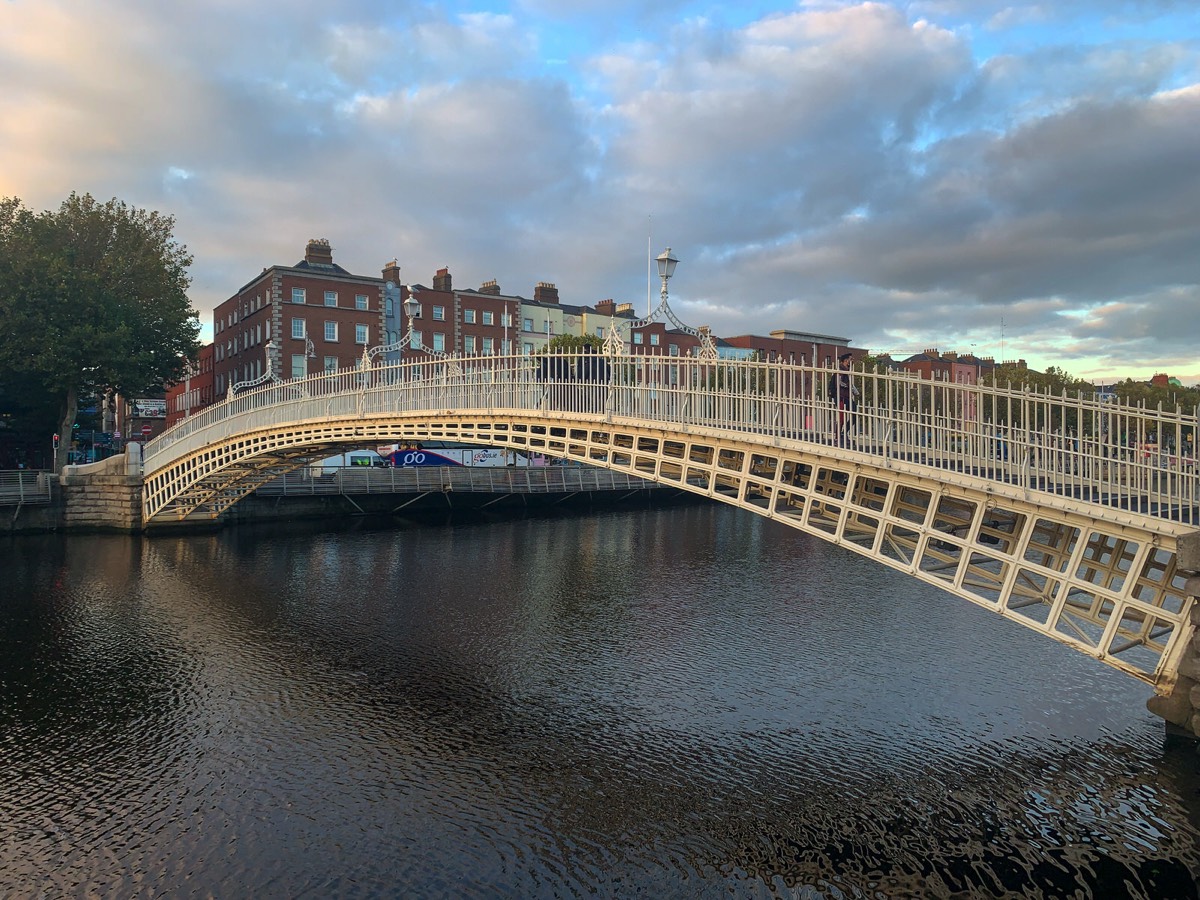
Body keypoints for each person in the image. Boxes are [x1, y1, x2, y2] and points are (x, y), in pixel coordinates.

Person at [828, 353, 859, 445]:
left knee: (854, 414)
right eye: (850, 359)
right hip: (841, 396)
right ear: (846, 360)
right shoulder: (841, 370)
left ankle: (843, 432)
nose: (851, 361)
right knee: (841, 417)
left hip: (847, 396)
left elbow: (849, 383)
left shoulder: (847, 371)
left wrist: (855, 391)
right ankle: (838, 436)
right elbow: (840, 383)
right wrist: (850, 387)